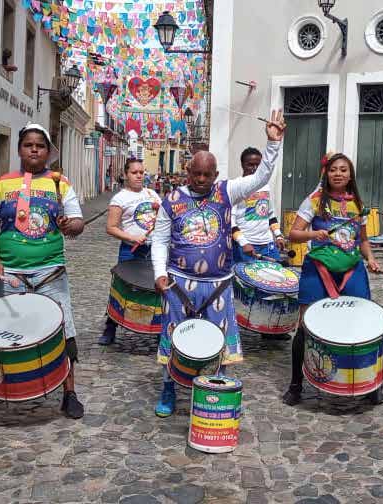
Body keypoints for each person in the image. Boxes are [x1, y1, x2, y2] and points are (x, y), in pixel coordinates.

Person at [150, 110, 286, 417]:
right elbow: (159, 241)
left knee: (220, 341)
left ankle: (217, 389)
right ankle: (169, 388)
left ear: (215, 174)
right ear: (187, 171)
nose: (200, 180)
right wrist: (160, 274)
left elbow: (261, 176)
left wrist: (273, 143)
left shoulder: (227, 192)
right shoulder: (171, 200)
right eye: (195, 174)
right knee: (175, 337)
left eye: (206, 175)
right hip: (178, 282)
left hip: (219, 283)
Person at [0, 123, 86, 420]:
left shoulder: (60, 184)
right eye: (28, 144)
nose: (34, 149)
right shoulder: (2, 185)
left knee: (63, 330)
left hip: (50, 273)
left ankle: (69, 393)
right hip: (9, 275)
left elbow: (78, 223)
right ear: (19, 149)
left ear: (47, 152)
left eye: (40, 146)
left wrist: (72, 226)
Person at [281, 153, 383, 406]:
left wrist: (370, 258)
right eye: (334, 170)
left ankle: (371, 385)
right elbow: (293, 233)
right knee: (305, 326)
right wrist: (315, 233)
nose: (338, 174)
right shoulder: (315, 200)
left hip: (352, 269)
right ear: (326, 174)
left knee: (364, 325)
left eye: (344, 170)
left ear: (350, 176)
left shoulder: (358, 204)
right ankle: (296, 385)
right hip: (319, 268)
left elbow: (362, 239)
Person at [99, 158, 163, 345]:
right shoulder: (119, 199)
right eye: (134, 173)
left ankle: (160, 329)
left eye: (141, 172)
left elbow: (163, 217)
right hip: (130, 250)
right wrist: (132, 238)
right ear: (126, 175)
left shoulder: (152, 194)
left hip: (153, 249)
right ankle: (110, 327)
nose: (139, 176)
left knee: (157, 287)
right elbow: (111, 227)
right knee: (121, 287)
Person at [231, 147, 287, 264]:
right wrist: (243, 242)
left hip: (268, 245)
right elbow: (231, 221)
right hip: (247, 246)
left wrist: (278, 235)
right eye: (250, 165)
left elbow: (270, 215)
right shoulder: (236, 187)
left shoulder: (265, 186)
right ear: (242, 165)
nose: (254, 168)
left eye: (258, 165)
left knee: (274, 278)